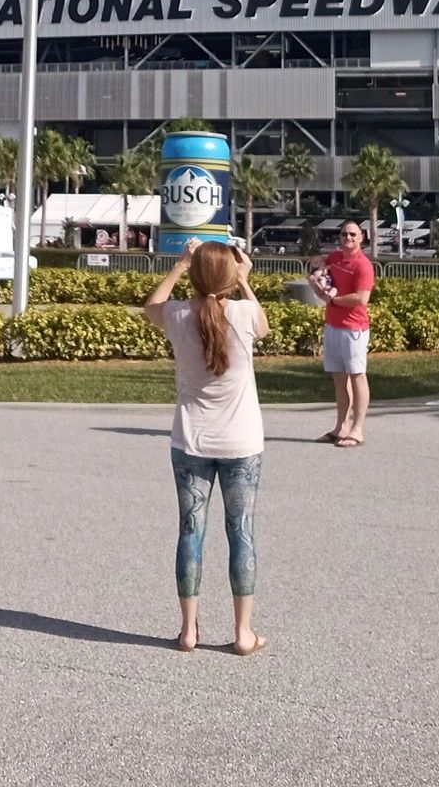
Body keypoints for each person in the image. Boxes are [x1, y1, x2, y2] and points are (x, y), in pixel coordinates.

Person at [143, 241, 269, 656]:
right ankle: (243, 632)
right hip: (242, 441)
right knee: (241, 532)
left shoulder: (178, 314)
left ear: (195, 275)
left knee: (190, 531)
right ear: (230, 277)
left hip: (191, 440)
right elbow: (264, 326)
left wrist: (180, 266)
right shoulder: (246, 314)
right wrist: (245, 281)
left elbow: (151, 306)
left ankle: (187, 631)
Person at [309, 220, 376, 448]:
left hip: (354, 328)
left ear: (362, 238)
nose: (348, 238)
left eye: (353, 235)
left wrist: (334, 300)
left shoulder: (363, 266)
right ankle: (341, 427)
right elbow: (317, 264)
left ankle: (357, 430)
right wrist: (316, 272)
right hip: (333, 325)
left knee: (357, 376)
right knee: (339, 378)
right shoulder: (336, 258)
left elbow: (361, 298)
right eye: (344, 234)